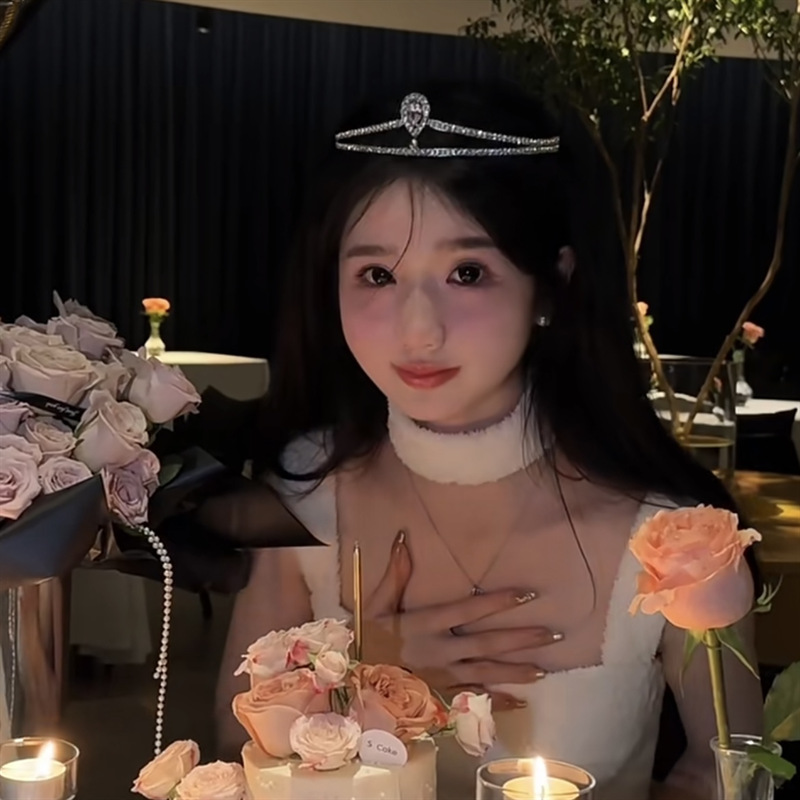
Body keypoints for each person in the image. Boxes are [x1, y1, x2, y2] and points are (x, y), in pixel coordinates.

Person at [215, 82, 762, 800]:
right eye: (377, 275)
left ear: (550, 285)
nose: (418, 330)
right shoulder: (302, 494)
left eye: (467, 273)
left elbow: (731, 774)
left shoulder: (674, 541)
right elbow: (228, 759)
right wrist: (357, 684)